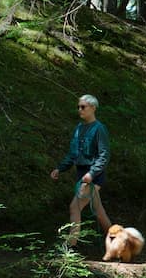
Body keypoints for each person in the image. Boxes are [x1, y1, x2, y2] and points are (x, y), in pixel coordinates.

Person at [50, 94, 112, 246]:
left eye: (83, 107)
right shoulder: (79, 128)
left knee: (74, 206)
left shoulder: (99, 129)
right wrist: (60, 168)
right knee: (99, 212)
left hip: (93, 175)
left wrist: (91, 174)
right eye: (78, 107)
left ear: (93, 108)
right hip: (81, 173)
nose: (80, 109)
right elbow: (73, 153)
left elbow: (104, 155)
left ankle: (70, 246)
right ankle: (119, 241)